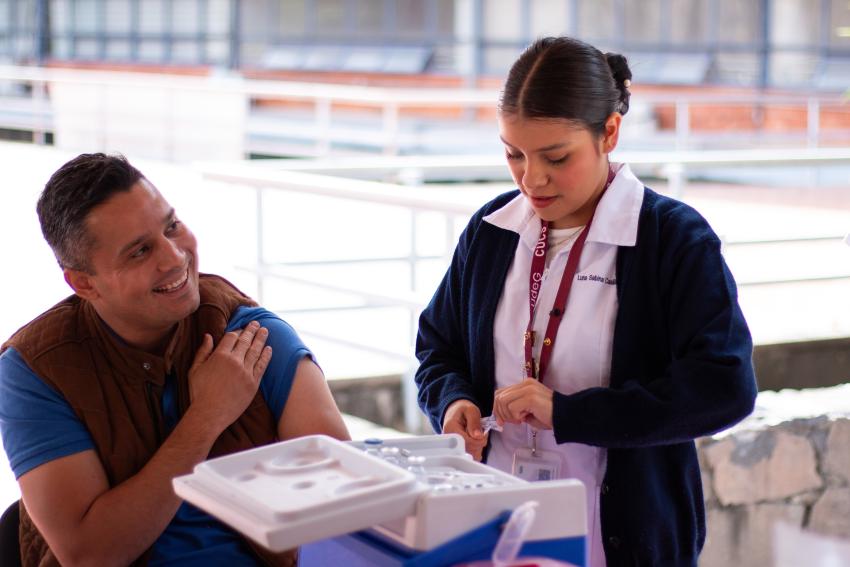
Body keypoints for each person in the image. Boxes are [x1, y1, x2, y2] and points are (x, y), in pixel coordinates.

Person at [415, 37, 757, 567]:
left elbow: (725, 387)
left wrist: (571, 414)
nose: (531, 178)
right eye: (513, 154)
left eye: (556, 157)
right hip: (498, 528)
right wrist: (454, 401)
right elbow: (437, 346)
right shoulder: (492, 231)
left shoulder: (674, 240)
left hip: (624, 540)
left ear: (609, 133)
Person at [0, 153, 350, 566]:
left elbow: (344, 493)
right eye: (140, 251)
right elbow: (90, 555)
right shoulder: (35, 369)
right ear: (83, 282)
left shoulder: (251, 335)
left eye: (172, 227)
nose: (174, 257)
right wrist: (206, 418)